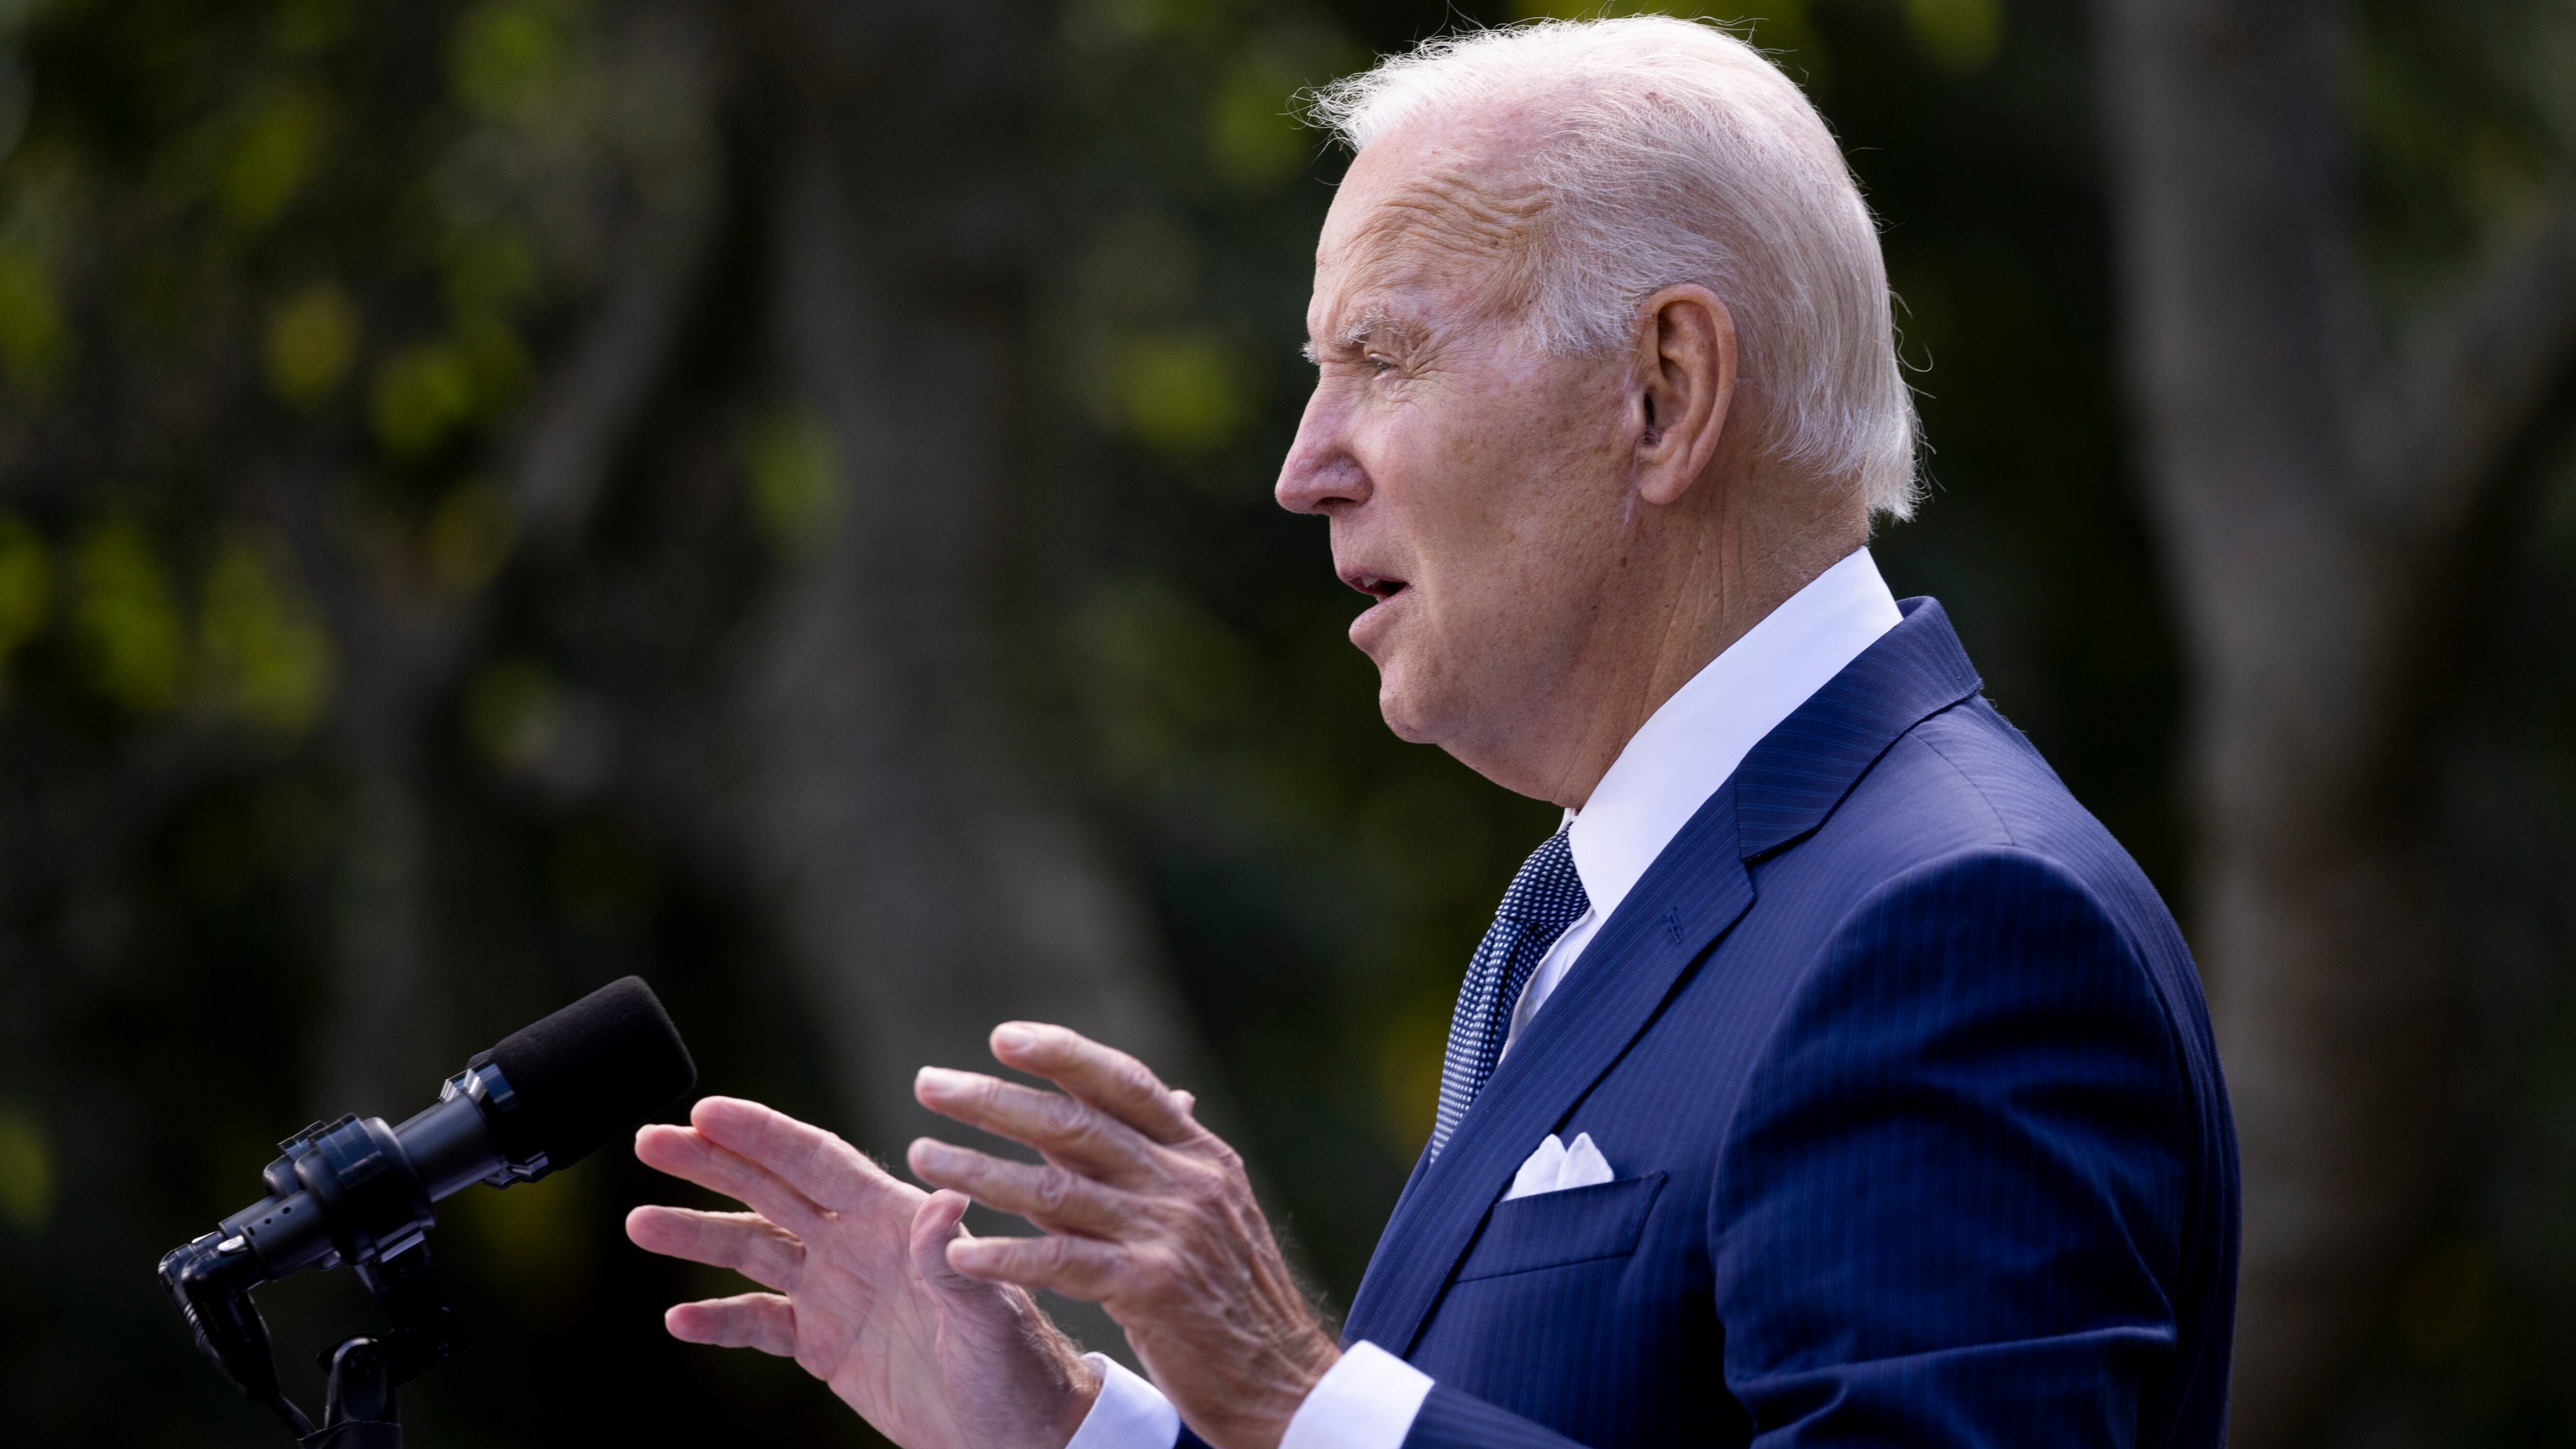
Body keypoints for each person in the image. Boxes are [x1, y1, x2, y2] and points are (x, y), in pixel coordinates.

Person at [623, 17, 2238, 1449]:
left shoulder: (1956, 925)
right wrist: (1081, 1436)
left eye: (1379, 358)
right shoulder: (1640, 905)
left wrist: (1293, 1399)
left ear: (1665, 391)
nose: (1304, 465)